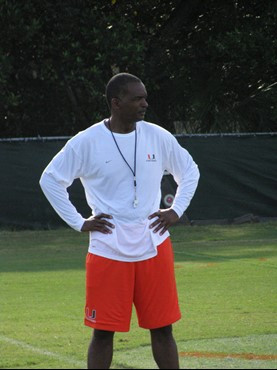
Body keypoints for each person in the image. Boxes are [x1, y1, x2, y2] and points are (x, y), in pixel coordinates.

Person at [40, 73, 200, 369]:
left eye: (145, 97)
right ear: (116, 103)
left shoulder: (158, 135)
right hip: (108, 248)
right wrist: (79, 222)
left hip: (154, 243)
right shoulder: (87, 142)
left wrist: (176, 210)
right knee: (103, 333)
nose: (145, 104)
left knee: (163, 329)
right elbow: (50, 179)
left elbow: (189, 171)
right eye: (137, 98)